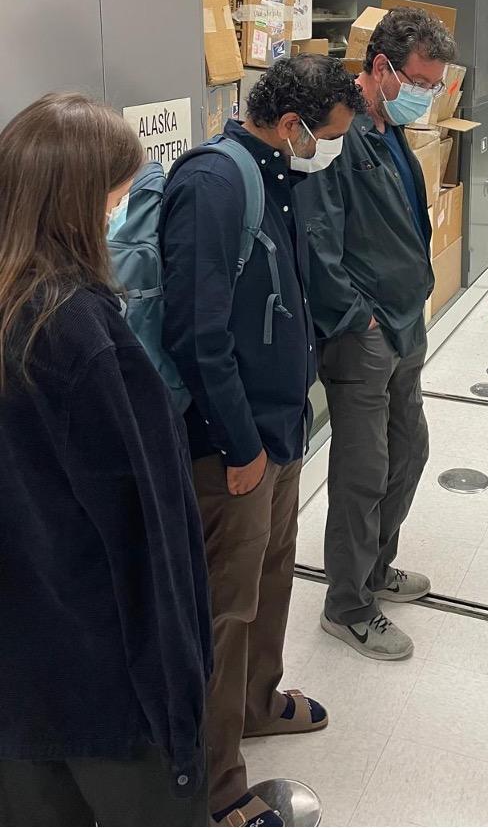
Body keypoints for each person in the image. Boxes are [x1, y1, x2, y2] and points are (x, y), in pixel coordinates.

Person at [160, 55, 366, 827]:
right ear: (290, 125)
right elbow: (196, 332)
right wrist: (239, 445)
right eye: (328, 137)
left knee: (272, 580)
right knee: (226, 607)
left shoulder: (278, 176)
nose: (330, 150)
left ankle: (256, 703)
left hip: (281, 430)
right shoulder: (214, 184)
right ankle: (215, 786)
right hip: (232, 449)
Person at [0, 93, 211, 828]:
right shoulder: (80, 335)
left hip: (20, 678)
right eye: (117, 198)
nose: (120, 215)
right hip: (107, 680)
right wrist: (182, 701)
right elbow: (147, 535)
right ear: (77, 203)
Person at [298, 6, 457, 661]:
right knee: (363, 471)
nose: (429, 94)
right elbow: (317, 236)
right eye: (419, 80)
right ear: (382, 66)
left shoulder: (392, 129)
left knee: (409, 450)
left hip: (404, 320)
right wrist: (356, 316)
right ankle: (347, 605)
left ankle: (374, 567)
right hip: (364, 331)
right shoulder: (338, 130)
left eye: (436, 84)